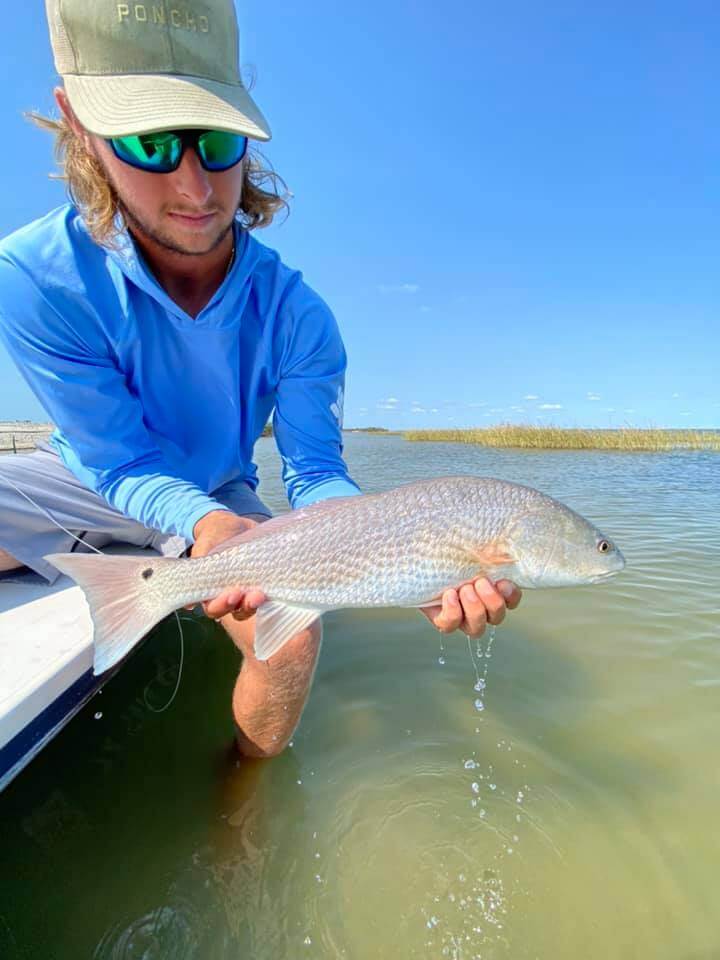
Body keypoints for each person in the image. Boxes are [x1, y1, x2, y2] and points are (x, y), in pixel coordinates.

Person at [0, 0, 521, 757]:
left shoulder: (303, 318)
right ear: (78, 124)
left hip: (222, 488)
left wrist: (410, 563)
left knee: (293, 639)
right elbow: (115, 455)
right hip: (90, 475)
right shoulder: (30, 278)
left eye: (216, 143)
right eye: (149, 144)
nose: (196, 190)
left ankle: (242, 817)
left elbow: (315, 473)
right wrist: (202, 531)